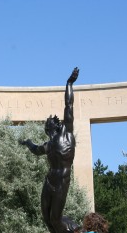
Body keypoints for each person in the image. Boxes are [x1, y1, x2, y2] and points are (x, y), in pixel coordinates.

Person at [20, 67, 79, 233]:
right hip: (49, 181)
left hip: (62, 181)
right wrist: (27, 142)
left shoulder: (67, 134)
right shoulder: (48, 144)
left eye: (49, 121)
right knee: (47, 219)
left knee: (55, 219)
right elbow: (36, 150)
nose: (47, 122)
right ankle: (67, 225)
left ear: (54, 125)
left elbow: (69, 105)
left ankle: (72, 228)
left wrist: (69, 83)